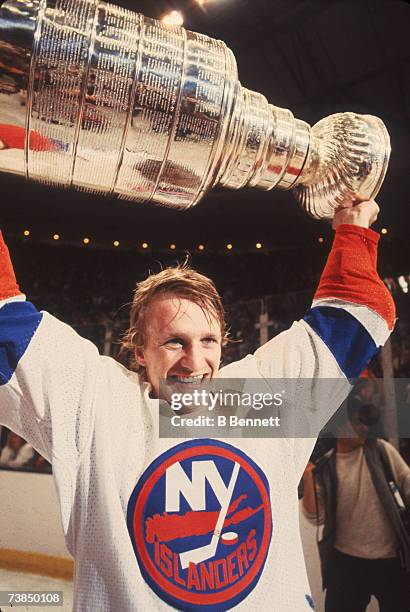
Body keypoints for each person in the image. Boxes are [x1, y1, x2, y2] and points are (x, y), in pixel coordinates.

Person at [0, 200, 396, 611]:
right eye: (174, 341)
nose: (193, 361)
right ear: (139, 351)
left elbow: (357, 315)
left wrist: (352, 227)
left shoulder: (258, 400)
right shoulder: (96, 403)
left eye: (208, 341)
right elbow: (6, 326)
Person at [302, 398, 410, 612]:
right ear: (341, 425)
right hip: (346, 564)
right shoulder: (328, 466)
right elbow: (316, 518)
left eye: (366, 423)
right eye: (358, 422)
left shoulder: (381, 451)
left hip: (390, 561)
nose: (364, 428)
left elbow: (407, 482)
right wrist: (308, 479)